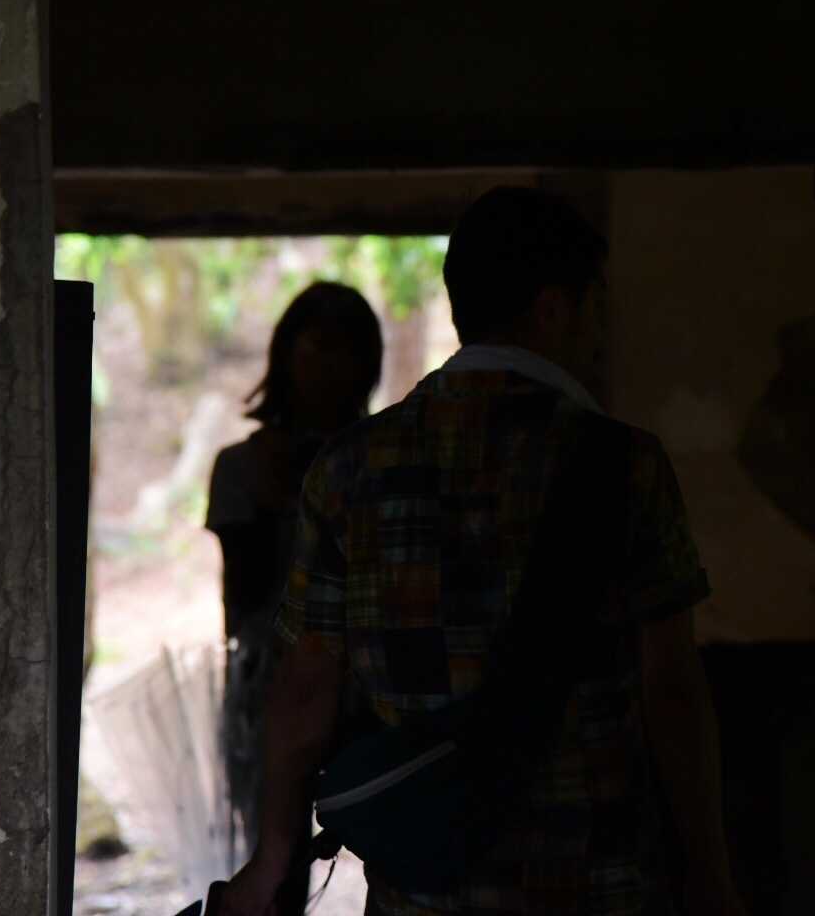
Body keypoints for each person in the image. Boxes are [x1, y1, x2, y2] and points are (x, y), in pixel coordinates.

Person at [224, 189, 748, 916]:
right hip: (593, 882)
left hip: (422, 890)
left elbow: (306, 686)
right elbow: (671, 689)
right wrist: (712, 875)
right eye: (597, 306)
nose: (601, 331)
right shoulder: (624, 466)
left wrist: (272, 861)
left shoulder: (349, 469)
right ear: (555, 309)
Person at [206, 280, 384, 916]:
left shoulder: (385, 462)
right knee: (274, 867)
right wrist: (279, 497)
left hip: (370, 689)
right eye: (318, 349)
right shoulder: (244, 465)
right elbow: (244, 597)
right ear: (286, 357)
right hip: (270, 687)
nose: (331, 368)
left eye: (346, 350)